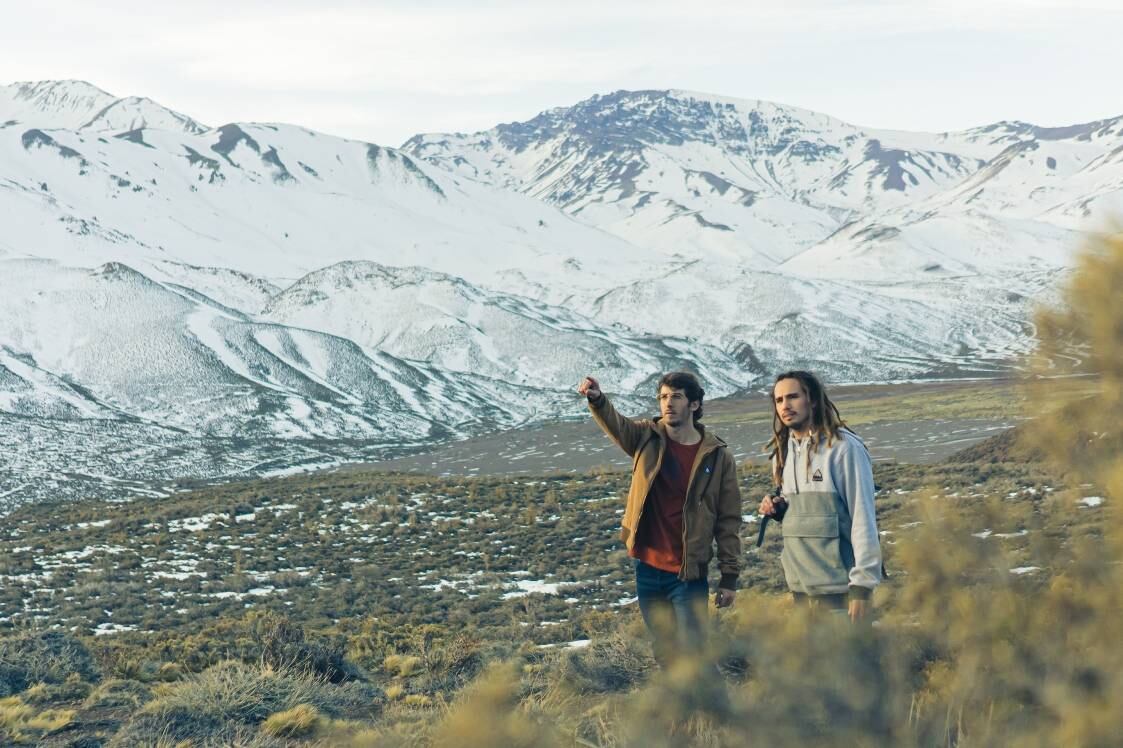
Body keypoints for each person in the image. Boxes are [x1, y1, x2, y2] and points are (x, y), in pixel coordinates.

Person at [578, 372, 742, 669]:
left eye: (676, 397)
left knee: (695, 653)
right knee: (665, 653)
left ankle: (714, 712)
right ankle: (681, 714)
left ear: (694, 404)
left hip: (687, 573)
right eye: (663, 397)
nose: (668, 403)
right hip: (648, 569)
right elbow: (617, 425)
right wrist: (598, 400)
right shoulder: (645, 437)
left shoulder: (717, 456)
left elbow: (728, 519)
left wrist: (729, 577)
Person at [758, 371, 882, 622]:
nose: (785, 406)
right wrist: (780, 508)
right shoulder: (782, 454)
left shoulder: (843, 449)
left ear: (812, 399)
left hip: (841, 593)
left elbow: (863, 518)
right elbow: (808, 510)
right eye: (779, 400)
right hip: (801, 592)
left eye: (793, 397)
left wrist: (863, 585)